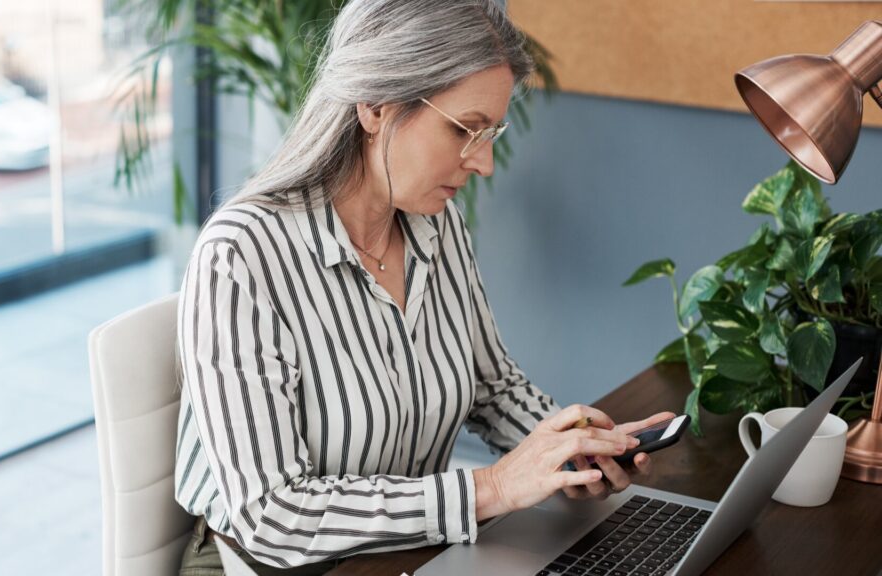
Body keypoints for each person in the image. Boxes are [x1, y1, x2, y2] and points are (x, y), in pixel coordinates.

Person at [173, 1, 673, 574]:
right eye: (464, 129)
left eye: (491, 132)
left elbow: (493, 387)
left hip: (411, 550)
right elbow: (273, 517)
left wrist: (571, 450)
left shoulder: (435, 223)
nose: (484, 164)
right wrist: (490, 489)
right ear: (375, 106)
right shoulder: (239, 257)